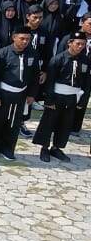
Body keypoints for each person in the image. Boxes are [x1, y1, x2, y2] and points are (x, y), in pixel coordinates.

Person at [34, 29, 90, 163]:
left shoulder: (85, 60)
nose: (80, 47)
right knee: (49, 122)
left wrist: (83, 100)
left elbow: (87, 82)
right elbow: (50, 81)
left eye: (82, 44)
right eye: (77, 44)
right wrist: (49, 100)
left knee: (65, 123)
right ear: (69, 43)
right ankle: (44, 147)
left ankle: (57, 147)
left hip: (72, 96)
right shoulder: (58, 59)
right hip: (57, 94)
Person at [0, 28, 38, 161]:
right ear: (14, 37)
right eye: (22, 39)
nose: (25, 42)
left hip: (20, 93)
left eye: (27, 39)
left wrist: (32, 94)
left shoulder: (32, 54)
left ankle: (8, 148)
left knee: (14, 122)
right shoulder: (3, 53)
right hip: (4, 92)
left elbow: (34, 76)